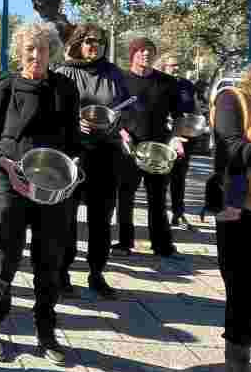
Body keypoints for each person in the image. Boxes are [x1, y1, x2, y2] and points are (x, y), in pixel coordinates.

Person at [0, 22, 80, 365]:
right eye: (29, 51)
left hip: (53, 182)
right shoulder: (4, 87)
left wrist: (78, 164)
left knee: (49, 261)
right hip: (11, 180)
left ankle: (45, 330)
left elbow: (75, 140)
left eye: (43, 50)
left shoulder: (65, 87)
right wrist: (2, 163)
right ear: (20, 53)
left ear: (52, 52)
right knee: (6, 256)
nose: (36, 56)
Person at [55, 24, 130, 300]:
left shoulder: (114, 74)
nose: (93, 46)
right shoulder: (64, 72)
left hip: (107, 153)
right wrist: (74, 121)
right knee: (67, 216)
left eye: (98, 42)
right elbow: (53, 110)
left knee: (102, 217)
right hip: (74, 152)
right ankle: (61, 272)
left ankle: (96, 273)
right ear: (77, 43)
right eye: (87, 41)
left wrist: (117, 121)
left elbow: (128, 109)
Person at [208, 64, 251, 372]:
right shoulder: (233, 99)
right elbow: (231, 146)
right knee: (243, 287)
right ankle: (237, 358)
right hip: (240, 208)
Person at [113, 38, 185, 258]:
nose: (146, 54)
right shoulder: (120, 81)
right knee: (125, 197)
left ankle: (162, 245)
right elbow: (112, 113)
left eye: (150, 51)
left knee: (158, 198)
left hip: (158, 149)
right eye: (141, 51)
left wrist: (176, 138)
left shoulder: (167, 83)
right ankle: (124, 243)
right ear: (132, 54)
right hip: (129, 149)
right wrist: (122, 134)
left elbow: (179, 116)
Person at [157, 53, 199, 230]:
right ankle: (159, 215)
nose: (177, 68)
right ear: (163, 65)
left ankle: (178, 214)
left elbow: (195, 107)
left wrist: (199, 123)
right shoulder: (158, 82)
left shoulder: (187, 85)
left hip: (185, 137)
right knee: (161, 178)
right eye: (173, 65)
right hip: (163, 137)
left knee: (179, 177)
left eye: (178, 65)